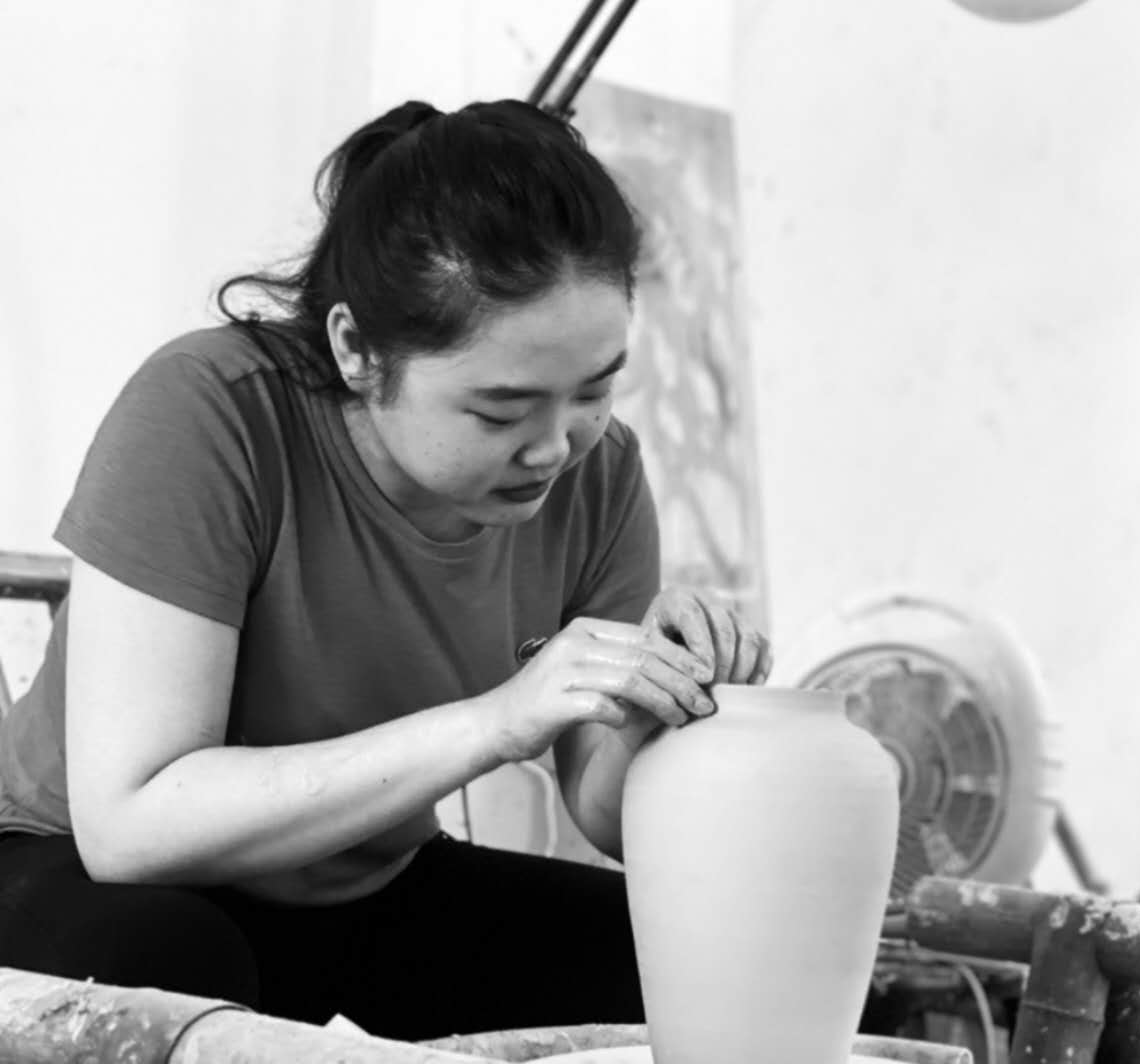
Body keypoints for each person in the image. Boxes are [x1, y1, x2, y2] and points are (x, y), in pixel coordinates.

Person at [0, 98, 772, 1042]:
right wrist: (495, 722)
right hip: (70, 871)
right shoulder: (213, 412)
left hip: (356, 891)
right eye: (499, 412)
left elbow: (606, 816)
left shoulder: (600, 474)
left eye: (596, 389)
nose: (554, 447)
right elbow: (132, 827)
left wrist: (661, 713)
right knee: (169, 966)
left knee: (683, 960)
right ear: (357, 350)